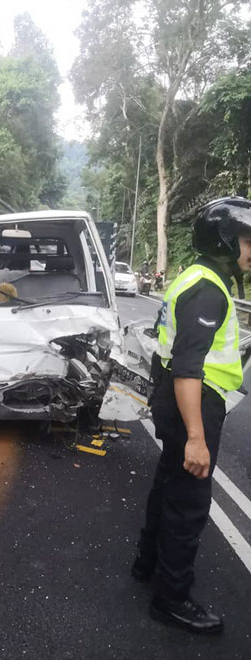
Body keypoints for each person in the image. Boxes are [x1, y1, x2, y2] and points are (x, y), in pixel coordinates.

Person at [132, 197, 251, 634]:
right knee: (188, 504)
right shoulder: (208, 288)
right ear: (224, 241)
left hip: (175, 397)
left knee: (168, 484)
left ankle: (148, 566)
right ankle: (171, 598)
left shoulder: (197, 276)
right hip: (192, 402)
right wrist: (197, 437)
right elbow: (188, 365)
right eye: (246, 241)